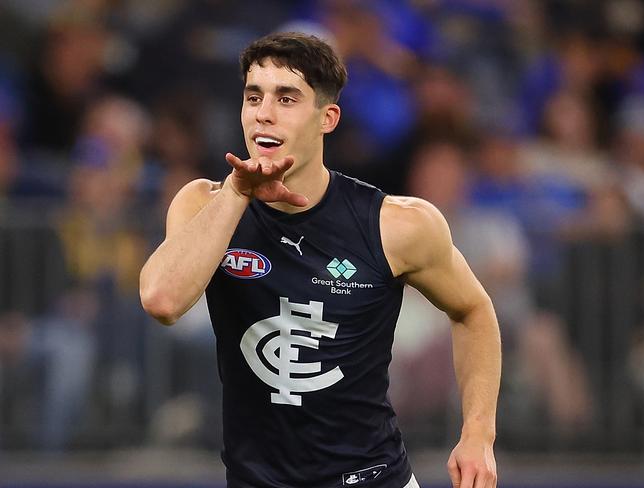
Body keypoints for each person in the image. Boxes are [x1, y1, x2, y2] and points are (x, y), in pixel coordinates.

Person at [140, 32, 501, 488]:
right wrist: (238, 192)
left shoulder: (398, 225)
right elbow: (161, 300)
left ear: (327, 118)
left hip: (373, 479)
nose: (264, 113)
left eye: (286, 98)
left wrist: (478, 434)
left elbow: (473, 310)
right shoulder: (203, 203)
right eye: (254, 97)